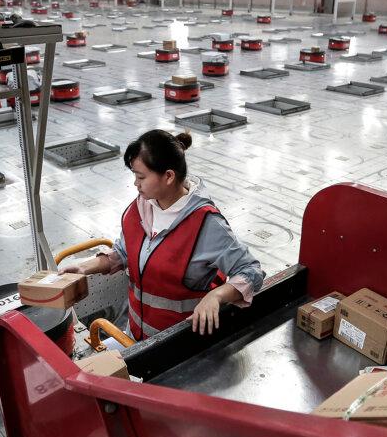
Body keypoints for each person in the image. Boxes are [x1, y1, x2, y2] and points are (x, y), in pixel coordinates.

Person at [60, 130, 265, 338]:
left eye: (141, 177)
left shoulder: (206, 224)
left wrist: (217, 295)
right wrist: (84, 267)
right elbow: (125, 251)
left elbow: (251, 271)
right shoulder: (140, 208)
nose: (135, 184)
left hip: (177, 347)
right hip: (135, 337)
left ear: (168, 176)